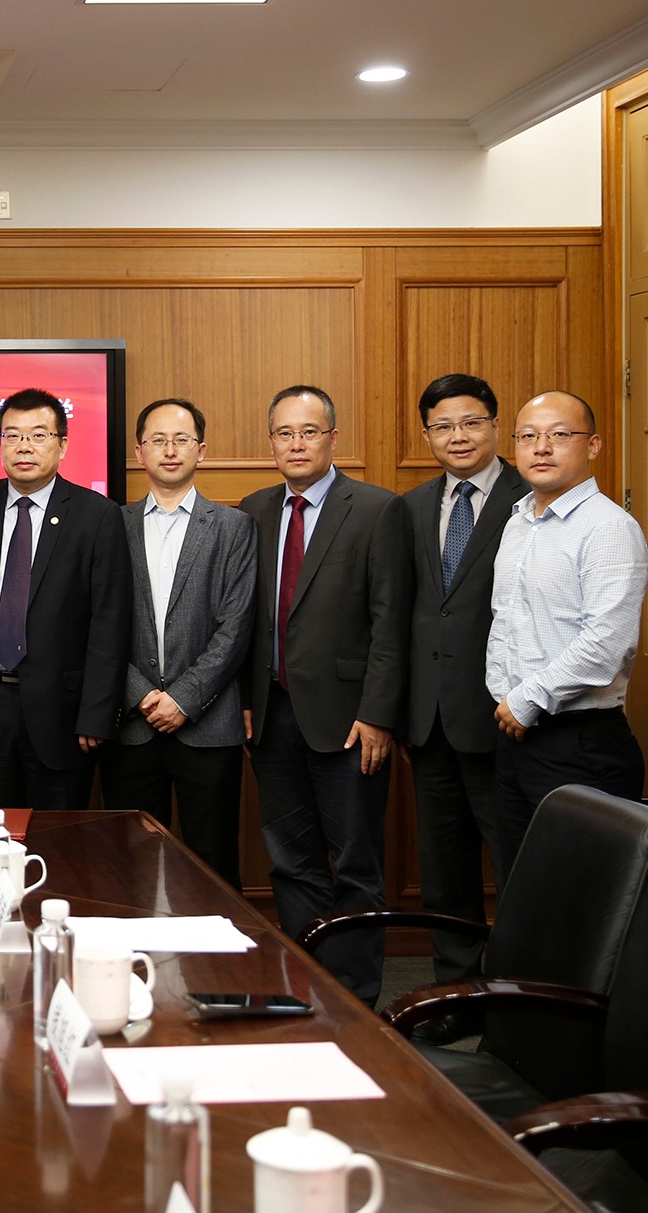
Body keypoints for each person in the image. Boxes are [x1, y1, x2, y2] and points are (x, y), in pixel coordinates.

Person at [240, 384, 410, 1006]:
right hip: (272, 714)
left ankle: (356, 1000)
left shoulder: (375, 509)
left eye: (309, 432)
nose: (296, 444)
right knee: (291, 861)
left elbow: (391, 624)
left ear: (333, 438)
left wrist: (378, 715)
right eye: (285, 433)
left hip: (350, 720)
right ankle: (306, 986)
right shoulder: (254, 510)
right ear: (271, 442)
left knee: (356, 864)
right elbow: (247, 618)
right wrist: (247, 698)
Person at [400, 374, 528, 1043]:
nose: (458, 436)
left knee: (515, 868)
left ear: (496, 425)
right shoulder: (413, 506)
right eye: (443, 426)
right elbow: (404, 612)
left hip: (506, 717)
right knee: (445, 872)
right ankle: (456, 995)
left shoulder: (530, 499)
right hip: (430, 720)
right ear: (427, 435)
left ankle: (518, 1002)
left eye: (471, 422)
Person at [487, 390, 648, 862]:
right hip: (516, 735)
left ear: (593, 445)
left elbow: (606, 644)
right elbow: (505, 622)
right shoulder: (518, 522)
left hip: (579, 743)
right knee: (521, 884)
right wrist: (504, 696)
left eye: (559, 435)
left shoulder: (608, 528)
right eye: (528, 436)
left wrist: (525, 699)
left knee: (578, 890)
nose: (541, 447)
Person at [0, 388, 130, 809]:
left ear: (62, 445)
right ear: (0, 444)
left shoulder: (96, 515)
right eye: (13, 436)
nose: (24, 446)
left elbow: (110, 622)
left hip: (63, 712)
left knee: (59, 836)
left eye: (38, 435)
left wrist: (97, 713)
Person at [104, 398, 255, 886]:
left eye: (181, 440)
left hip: (208, 725)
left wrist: (184, 698)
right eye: (158, 440)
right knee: (130, 866)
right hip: (131, 724)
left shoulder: (234, 527)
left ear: (201, 450)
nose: (170, 451)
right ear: (139, 451)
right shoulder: (112, 524)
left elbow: (236, 626)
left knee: (213, 863)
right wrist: (142, 695)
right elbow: (99, 624)